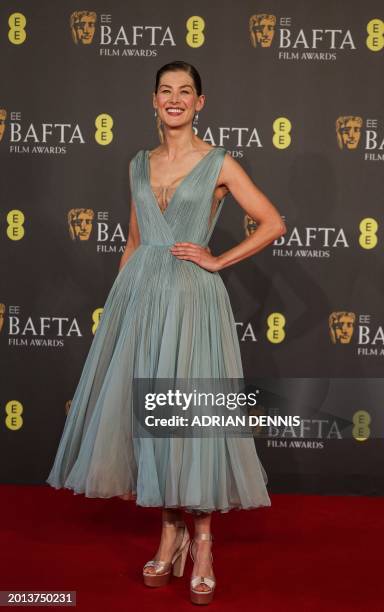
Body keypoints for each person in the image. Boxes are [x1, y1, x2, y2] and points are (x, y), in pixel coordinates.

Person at [46, 60, 286, 605]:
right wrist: (119, 310)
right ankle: (169, 532)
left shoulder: (219, 162)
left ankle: (202, 542)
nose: (174, 99)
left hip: (193, 302)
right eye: (165, 91)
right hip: (140, 302)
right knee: (154, 422)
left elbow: (273, 222)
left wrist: (219, 259)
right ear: (153, 101)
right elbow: (133, 242)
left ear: (200, 102)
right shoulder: (138, 163)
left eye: (185, 92)